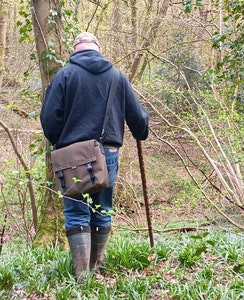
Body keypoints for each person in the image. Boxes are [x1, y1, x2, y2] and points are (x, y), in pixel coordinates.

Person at [40, 32, 149, 281]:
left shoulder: (64, 76)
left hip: (71, 156)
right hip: (107, 153)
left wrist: (62, 141)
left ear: (76, 50)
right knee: (102, 209)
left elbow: (49, 121)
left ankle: (81, 276)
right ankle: (97, 268)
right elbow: (138, 123)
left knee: (76, 212)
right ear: (98, 50)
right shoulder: (117, 77)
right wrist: (144, 122)